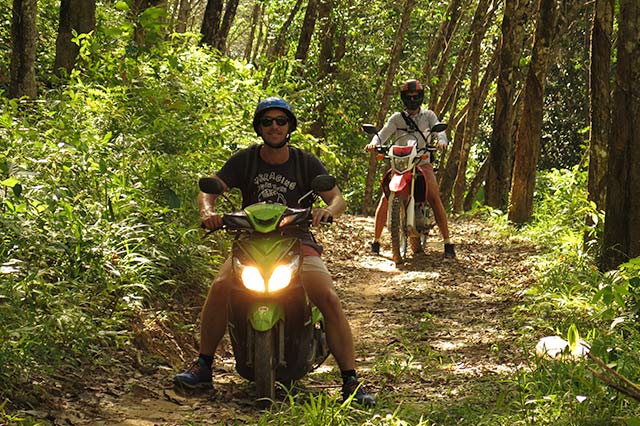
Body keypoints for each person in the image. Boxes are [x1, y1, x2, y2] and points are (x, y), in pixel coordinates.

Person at [174, 96, 375, 406]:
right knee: (220, 287)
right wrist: (206, 211)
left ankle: (351, 380)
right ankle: (203, 365)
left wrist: (327, 211)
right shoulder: (245, 160)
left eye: (281, 121)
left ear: (290, 126)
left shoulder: (304, 161)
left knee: (327, 296)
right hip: (250, 242)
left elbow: (337, 197)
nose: (274, 127)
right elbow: (210, 188)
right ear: (259, 127)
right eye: (267, 122)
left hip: (298, 242)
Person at [365, 79, 455, 259]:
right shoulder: (396, 118)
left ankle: (448, 243)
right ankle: (376, 241)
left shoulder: (428, 116)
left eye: (415, 96)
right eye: (409, 96)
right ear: (403, 98)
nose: (412, 99)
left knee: (434, 197)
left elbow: (440, 132)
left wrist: (441, 141)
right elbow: (382, 135)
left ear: (421, 97)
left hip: (422, 162)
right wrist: (373, 144)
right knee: (385, 198)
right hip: (399, 164)